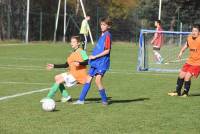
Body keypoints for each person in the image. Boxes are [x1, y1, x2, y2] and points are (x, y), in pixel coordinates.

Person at [73, 17, 112, 105]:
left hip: (102, 62)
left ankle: (105, 100)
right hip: (96, 62)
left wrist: (94, 56)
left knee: (97, 80)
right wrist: (92, 57)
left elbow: (107, 50)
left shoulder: (107, 36)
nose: (102, 26)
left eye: (104, 25)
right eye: (101, 24)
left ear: (108, 26)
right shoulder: (102, 35)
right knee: (88, 79)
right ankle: (81, 100)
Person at [40, 36, 89, 102]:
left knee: (58, 81)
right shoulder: (72, 53)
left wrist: (80, 63)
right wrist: (54, 66)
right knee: (57, 77)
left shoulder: (82, 51)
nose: (72, 43)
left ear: (78, 43)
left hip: (78, 75)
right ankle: (66, 97)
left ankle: (48, 97)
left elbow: (87, 61)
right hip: (72, 73)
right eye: (71, 42)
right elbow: (66, 65)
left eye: (74, 42)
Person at [168, 24, 200, 97]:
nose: (193, 32)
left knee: (187, 77)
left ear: (199, 32)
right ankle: (177, 91)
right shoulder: (189, 38)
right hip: (189, 61)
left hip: (197, 63)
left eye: (196, 31)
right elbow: (186, 45)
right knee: (181, 75)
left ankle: (185, 92)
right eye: (192, 30)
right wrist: (181, 52)